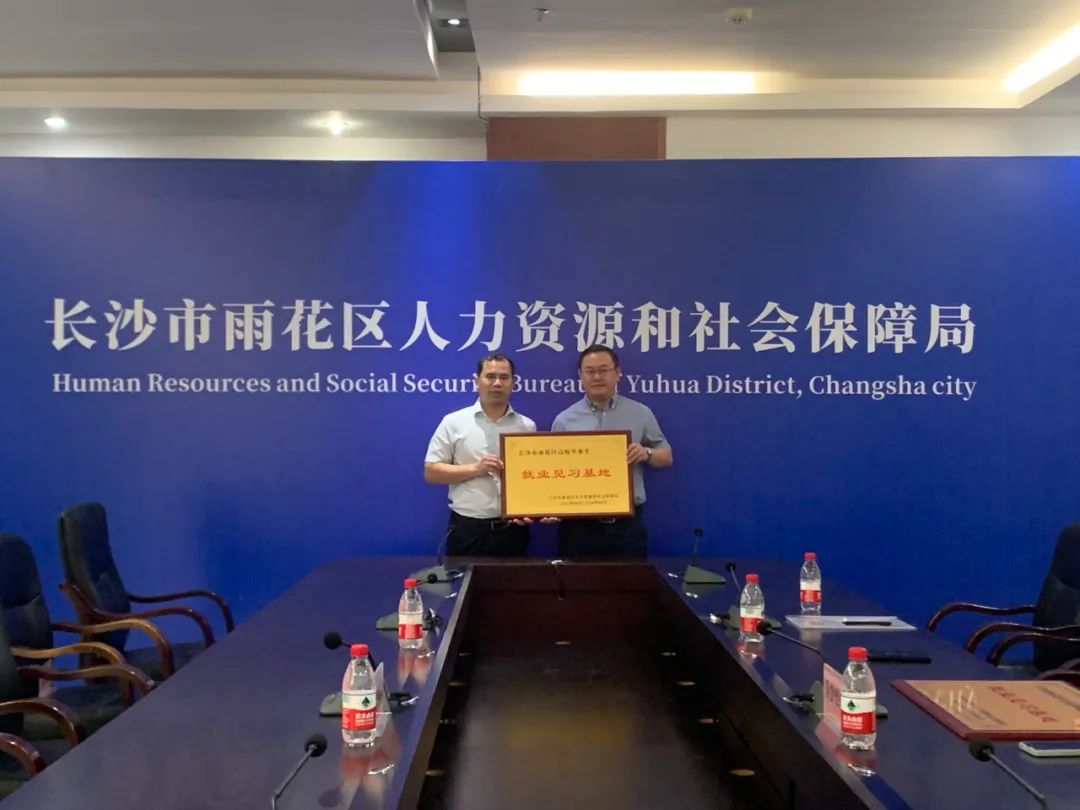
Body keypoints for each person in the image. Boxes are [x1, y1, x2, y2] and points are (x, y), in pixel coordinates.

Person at [550, 344, 672, 558]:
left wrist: (646, 453)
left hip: (627, 527)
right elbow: (553, 473)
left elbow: (666, 456)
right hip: (579, 527)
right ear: (580, 376)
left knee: (630, 580)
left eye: (604, 370)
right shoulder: (564, 420)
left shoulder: (640, 413)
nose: (597, 377)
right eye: (590, 371)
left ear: (617, 373)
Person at [424, 353, 537, 556]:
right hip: (468, 530)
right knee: (464, 578)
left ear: (513, 382)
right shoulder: (454, 422)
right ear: (477, 381)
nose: (497, 383)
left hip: (513, 529)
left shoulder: (527, 426)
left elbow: (531, 477)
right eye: (490, 376)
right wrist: (476, 469)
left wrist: (530, 507)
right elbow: (431, 472)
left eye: (504, 377)